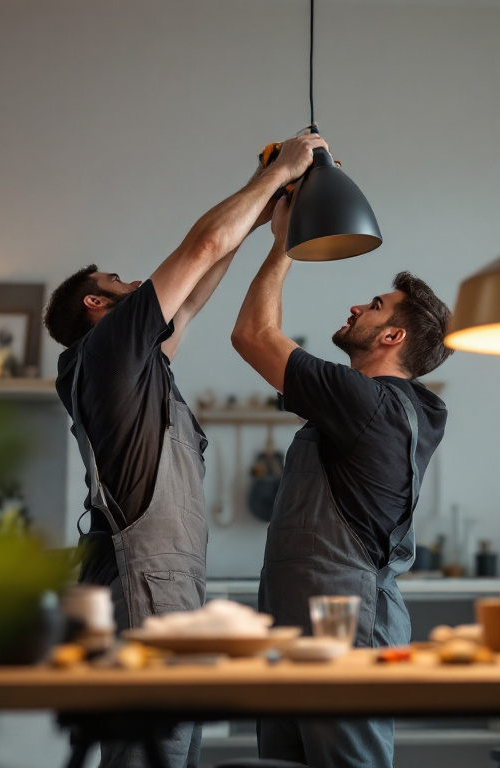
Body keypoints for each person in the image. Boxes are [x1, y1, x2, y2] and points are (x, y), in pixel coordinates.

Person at [44, 132, 326, 768]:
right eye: (117, 280)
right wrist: (281, 167)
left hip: (164, 584)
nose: (138, 281)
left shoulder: (132, 364)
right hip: (143, 583)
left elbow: (197, 288)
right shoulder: (109, 349)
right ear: (97, 304)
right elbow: (198, 249)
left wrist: (271, 224)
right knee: (149, 758)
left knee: (170, 755)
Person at [230, 190, 454, 768]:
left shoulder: (366, 401)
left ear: (392, 337)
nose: (357, 307)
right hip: (303, 615)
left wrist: (284, 242)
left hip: (340, 619)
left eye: (375, 306)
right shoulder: (388, 407)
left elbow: (253, 335)